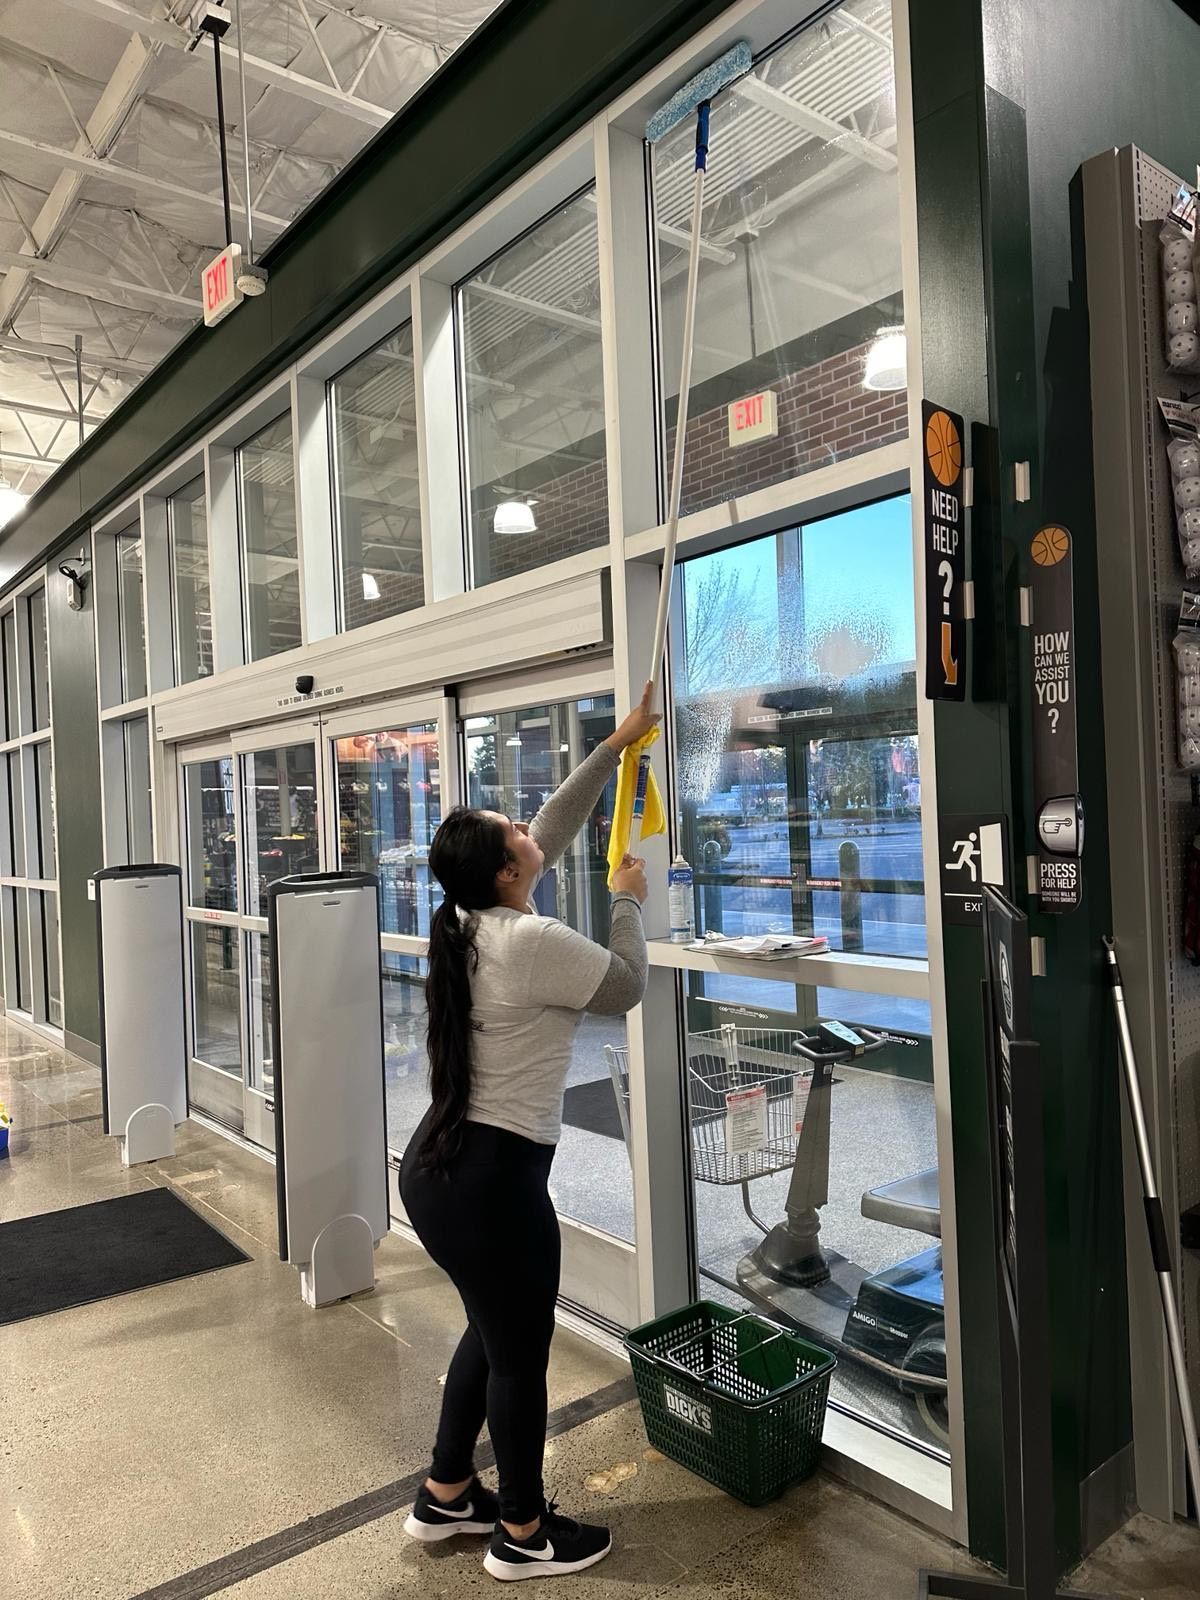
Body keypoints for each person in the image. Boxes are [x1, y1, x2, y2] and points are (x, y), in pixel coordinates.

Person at [401, 686, 659, 1581]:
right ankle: (522, 1532)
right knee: (519, 1354)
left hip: (440, 1165)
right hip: (493, 1182)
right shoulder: (530, 939)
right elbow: (625, 984)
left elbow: (553, 821)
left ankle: (444, 1495)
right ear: (509, 871)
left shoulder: (469, 916)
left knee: (490, 1327)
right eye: (515, 832)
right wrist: (629, 895)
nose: (530, 832)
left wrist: (620, 740)